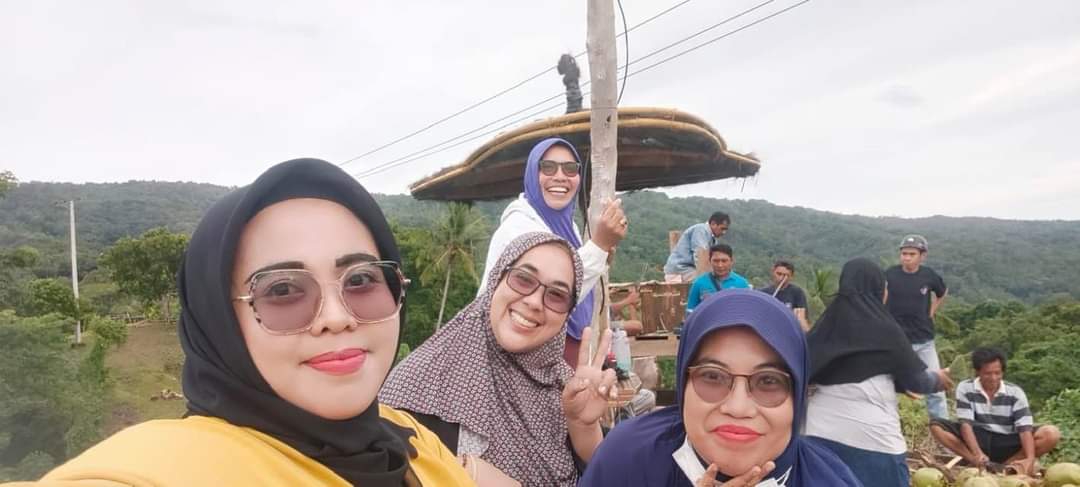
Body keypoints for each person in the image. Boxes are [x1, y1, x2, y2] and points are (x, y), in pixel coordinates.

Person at [4, 159, 473, 486]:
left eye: (362, 279)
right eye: (283, 290)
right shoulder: (179, 466)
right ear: (220, 322)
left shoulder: (407, 438)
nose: (335, 317)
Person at [381, 232, 619, 487]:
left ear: (567, 314)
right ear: (497, 279)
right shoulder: (421, 386)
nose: (535, 302)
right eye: (523, 279)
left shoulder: (564, 385)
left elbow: (604, 475)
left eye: (556, 295)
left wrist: (583, 427)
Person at [578, 289, 862, 487]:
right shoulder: (627, 461)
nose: (738, 408)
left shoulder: (831, 482)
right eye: (713, 376)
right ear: (684, 384)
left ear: (797, 396)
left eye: (768, 381)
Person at [477, 137, 627, 368]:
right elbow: (557, 289)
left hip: (562, 347)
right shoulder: (519, 228)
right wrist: (598, 246)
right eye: (548, 167)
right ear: (532, 174)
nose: (560, 176)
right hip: (524, 357)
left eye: (570, 169)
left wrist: (602, 254)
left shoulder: (567, 227)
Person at [805, 258, 952, 487]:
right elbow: (917, 381)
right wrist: (938, 380)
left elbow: (820, 369)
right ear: (878, 289)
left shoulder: (826, 325)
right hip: (873, 438)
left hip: (817, 432)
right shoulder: (885, 329)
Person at [930, 347, 1061, 476]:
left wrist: (1030, 458)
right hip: (979, 437)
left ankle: (1008, 466)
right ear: (978, 372)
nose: (993, 378)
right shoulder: (966, 387)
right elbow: (966, 425)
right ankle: (976, 462)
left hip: (1007, 440)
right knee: (936, 426)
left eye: (997, 373)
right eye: (987, 373)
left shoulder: (1015, 392)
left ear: (1002, 372)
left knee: (1051, 434)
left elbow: (1024, 429)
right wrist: (977, 453)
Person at [884, 234, 949, 419]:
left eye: (912, 254)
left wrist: (932, 311)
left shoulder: (928, 275)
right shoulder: (890, 274)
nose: (907, 258)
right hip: (896, 341)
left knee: (935, 386)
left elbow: (942, 292)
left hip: (924, 339)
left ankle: (942, 427)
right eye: (904, 253)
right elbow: (881, 296)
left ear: (922, 256)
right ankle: (889, 424)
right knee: (886, 385)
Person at [664, 211, 730, 283]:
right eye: (722, 229)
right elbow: (700, 257)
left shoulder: (712, 238)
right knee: (710, 282)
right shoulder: (701, 230)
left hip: (690, 270)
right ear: (713, 223)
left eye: (725, 230)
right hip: (680, 270)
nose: (724, 232)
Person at [685, 244, 750, 314]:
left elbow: (747, 310)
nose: (720, 265)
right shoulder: (699, 283)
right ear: (710, 261)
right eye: (716, 261)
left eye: (724, 261)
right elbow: (690, 312)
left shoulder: (742, 284)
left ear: (731, 261)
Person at [759, 260, 810, 331]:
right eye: (779, 274)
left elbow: (803, 320)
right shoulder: (763, 293)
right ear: (773, 272)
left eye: (786, 275)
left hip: (788, 331)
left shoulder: (797, 293)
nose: (781, 278)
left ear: (791, 277)